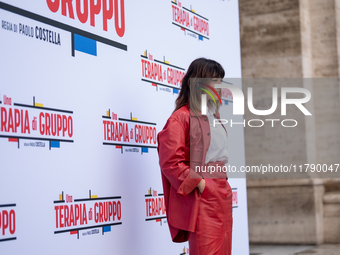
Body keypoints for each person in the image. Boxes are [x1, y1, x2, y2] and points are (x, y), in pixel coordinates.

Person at [157, 58, 233, 255]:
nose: (220, 85)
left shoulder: (213, 115)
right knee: (206, 251)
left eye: (221, 80)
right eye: (215, 80)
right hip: (203, 193)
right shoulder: (180, 117)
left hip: (221, 191)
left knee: (224, 249)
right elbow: (170, 162)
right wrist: (200, 183)